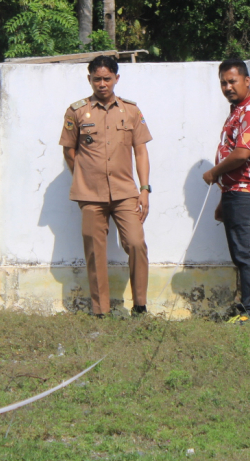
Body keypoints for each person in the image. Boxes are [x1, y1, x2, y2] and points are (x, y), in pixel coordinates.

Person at [59, 55, 152, 318]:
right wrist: (83, 177)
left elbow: (141, 152)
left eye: (107, 78)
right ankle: (100, 311)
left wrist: (144, 189)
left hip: (125, 192)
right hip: (90, 194)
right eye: (97, 79)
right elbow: (69, 150)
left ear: (116, 79)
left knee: (136, 243)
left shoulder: (131, 111)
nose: (102, 84)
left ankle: (140, 305)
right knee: (95, 251)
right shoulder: (76, 111)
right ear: (89, 79)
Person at [202, 59, 250, 324]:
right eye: (223, 82)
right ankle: (248, 306)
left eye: (232, 81)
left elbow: (242, 154)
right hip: (238, 191)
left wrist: (214, 173)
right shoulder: (237, 110)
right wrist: (224, 197)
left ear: (247, 80)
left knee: (246, 251)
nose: (227, 87)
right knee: (240, 252)